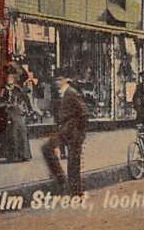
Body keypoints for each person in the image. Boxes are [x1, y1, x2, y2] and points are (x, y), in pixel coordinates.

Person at [41, 68, 88, 196]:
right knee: (47, 148)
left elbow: (84, 113)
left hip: (73, 132)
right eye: (56, 80)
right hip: (65, 130)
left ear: (66, 80)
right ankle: (61, 179)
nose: (57, 82)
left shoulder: (71, 93)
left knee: (73, 162)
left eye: (60, 79)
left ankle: (75, 191)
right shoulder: (62, 93)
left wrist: (80, 133)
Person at [0, 68, 33, 162]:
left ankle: (23, 154)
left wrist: (28, 110)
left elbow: (26, 99)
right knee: (12, 134)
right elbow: (0, 102)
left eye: (11, 78)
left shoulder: (18, 89)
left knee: (22, 132)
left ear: (14, 79)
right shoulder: (4, 90)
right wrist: (5, 105)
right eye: (8, 78)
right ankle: (13, 156)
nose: (9, 79)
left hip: (19, 113)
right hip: (9, 113)